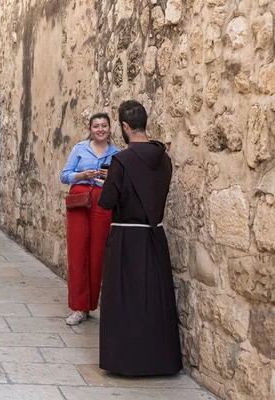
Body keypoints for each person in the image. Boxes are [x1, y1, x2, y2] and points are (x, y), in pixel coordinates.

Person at [97, 100, 182, 375]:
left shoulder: (121, 160)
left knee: (126, 299)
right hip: (155, 235)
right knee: (153, 299)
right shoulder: (165, 159)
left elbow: (108, 202)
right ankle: (159, 361)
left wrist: (107, 181)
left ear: (123, 126)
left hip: (126, 237)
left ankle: (127, 361)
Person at [60, 113, 120, 326]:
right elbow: (64, 175)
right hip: (79, 202)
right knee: (77, 252)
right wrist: (82, 175)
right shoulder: (79, 149)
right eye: (96, 126)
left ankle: (90, 304)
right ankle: (77, 307)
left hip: (102, 203)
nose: (100, 129)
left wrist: (109, 177)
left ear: (110, 128)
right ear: (91, 128)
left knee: (97, 254)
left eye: (104, 125)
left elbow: (120, 184)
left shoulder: (117, 154)